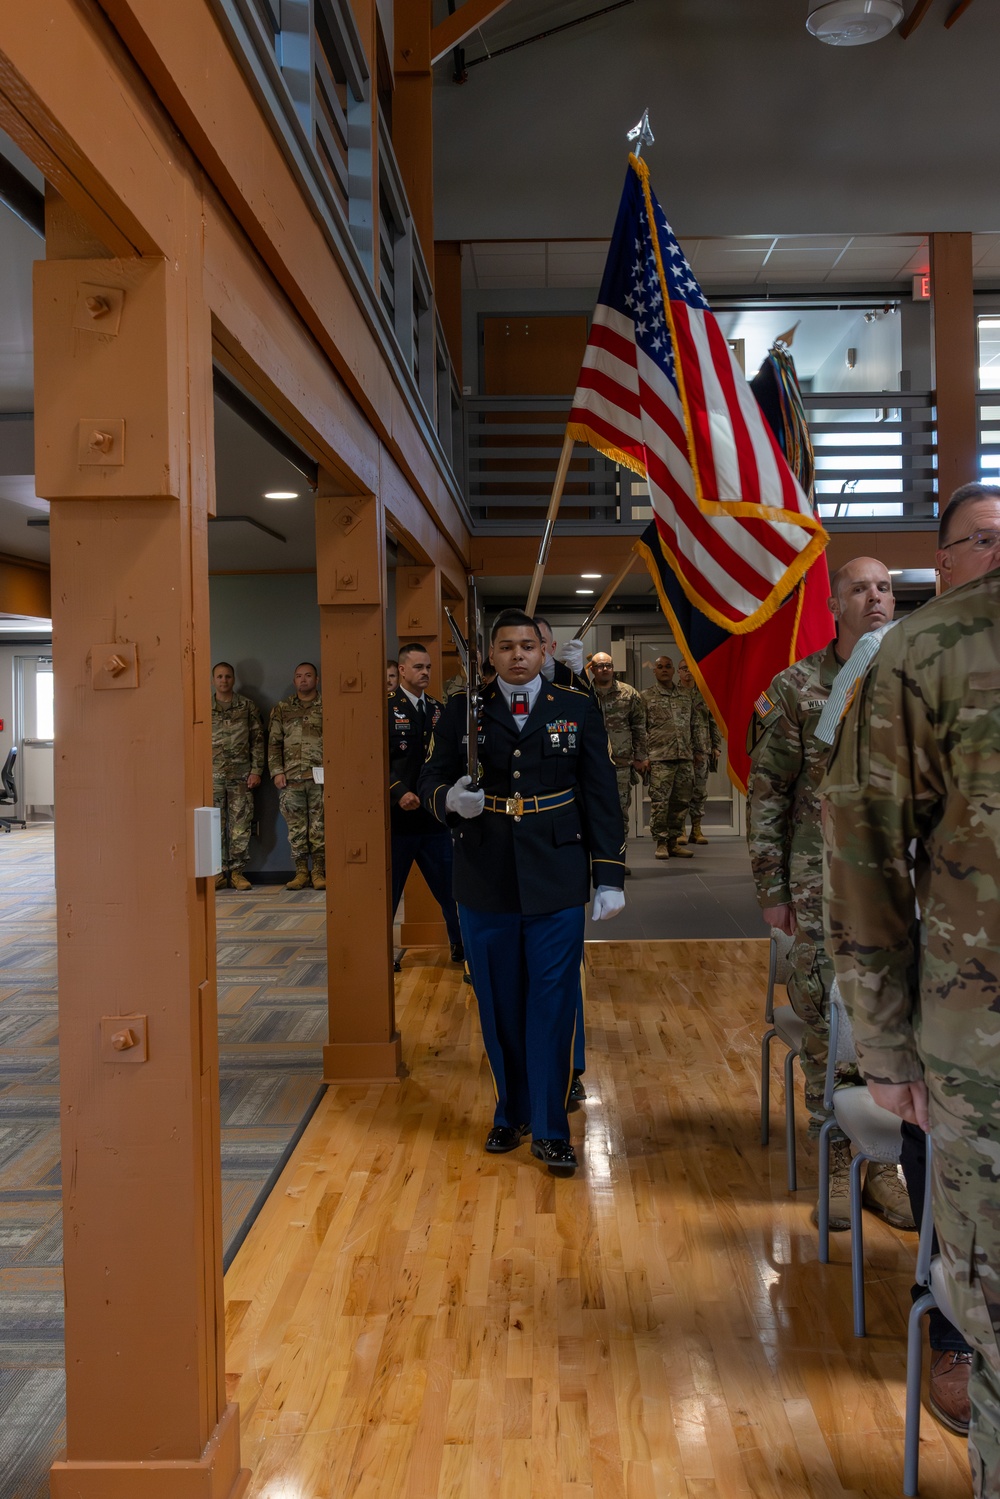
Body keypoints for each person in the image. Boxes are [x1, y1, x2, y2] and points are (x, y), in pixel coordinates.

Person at [823, 553, 1000, 1493]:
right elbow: (855, 848)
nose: (876, 598)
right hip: (982, 1051)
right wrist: (884, 1048)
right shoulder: (928, 655)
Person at [418, 609, 626, 1176]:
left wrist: (608, 874)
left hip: (556, 875)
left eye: (527, 646)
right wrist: (446, 801)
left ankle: (552, 1126)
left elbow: (601, 794)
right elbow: (430, 776)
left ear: (544, 651)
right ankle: (510, 1111)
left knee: (553, 1002)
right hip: (484, 876)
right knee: (499, 1003)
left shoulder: (576, 707)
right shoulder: (463, 710)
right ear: (490, 655)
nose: (516, 655)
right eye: (505, 646)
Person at [747, 557, 912, 1232]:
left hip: (904, 887)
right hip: (821, 887)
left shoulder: (915, 679)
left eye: (885, 588)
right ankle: (838, 1159)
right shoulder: (798, 687)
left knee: (898, 1024)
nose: (876, 598)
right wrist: (772, 887)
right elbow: (768, 792)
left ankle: (891, 1164)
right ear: (834, 605)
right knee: (830, 1025)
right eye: (860, 589)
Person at [389, 643, 464, 962]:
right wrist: (398, 790)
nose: (425, 673)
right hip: (398, 821)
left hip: (433, 820)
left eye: (429, 667)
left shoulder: (438, 709)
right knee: (388, 894)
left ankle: (461, 948)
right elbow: (377, 759)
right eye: (418, 667)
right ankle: (383, 954)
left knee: (452, 892)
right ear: (402, 670)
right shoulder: (386, 708)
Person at [269, 662, 325, 891]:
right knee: (296, 828)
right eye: (299, 676)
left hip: (320, 777)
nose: (303, 680)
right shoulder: (282, 708)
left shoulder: (327, 706)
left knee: (320, 826)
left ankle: (319, 871)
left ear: (317, 679)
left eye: (308, 675)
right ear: (294, 681)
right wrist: (276, 772)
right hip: (290, 778)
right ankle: (301, 871)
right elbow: (274, 743)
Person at [211, 662, 264, 892]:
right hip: (211, 776)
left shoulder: (247, 706)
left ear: (234, 679)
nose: (224, 680)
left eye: (228, 676)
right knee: (213, 826)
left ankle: (237, 872)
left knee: (240, 825)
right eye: (220, 676)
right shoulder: (202, 707)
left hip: (241, 775)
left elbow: (257, 740)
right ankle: (217, 872)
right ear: (213, 679)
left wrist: (256, 770)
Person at [589, 652, 646, 861]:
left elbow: (639, 727)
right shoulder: (584, 693)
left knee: (619, 814)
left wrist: (641, 756)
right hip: (590, 765)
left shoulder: (628, 694)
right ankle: (595, 860)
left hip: (620, 766)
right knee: (592, 814)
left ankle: (616, 861)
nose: (605, 669)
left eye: (608, 665)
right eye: (600, 666)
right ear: (592, 669)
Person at [639, 655, 694, 860]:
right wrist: (643, 756)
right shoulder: (646, 697)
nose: (664, 670)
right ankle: (661, 843)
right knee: (660, 803)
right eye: (660, 667)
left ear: (673, 671)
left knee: (681, 802)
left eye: (668, 667)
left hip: (684, 756)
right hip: (659, 758)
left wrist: (697, 752)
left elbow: (694, 725)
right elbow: (640, 729)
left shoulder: (686, 696)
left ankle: (674, 842)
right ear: (654, 671)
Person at [675, 662, 721, 846]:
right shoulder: (674, 694)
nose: (688, 672)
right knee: (681, 792)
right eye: (684, 669)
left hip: (702, 750)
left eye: (690, 669)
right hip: (681, 751)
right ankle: (680, 830)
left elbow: (713, 721)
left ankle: (696, 829)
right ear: (678, 672)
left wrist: (716, 746)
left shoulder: (705, 694)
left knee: (700, 791)